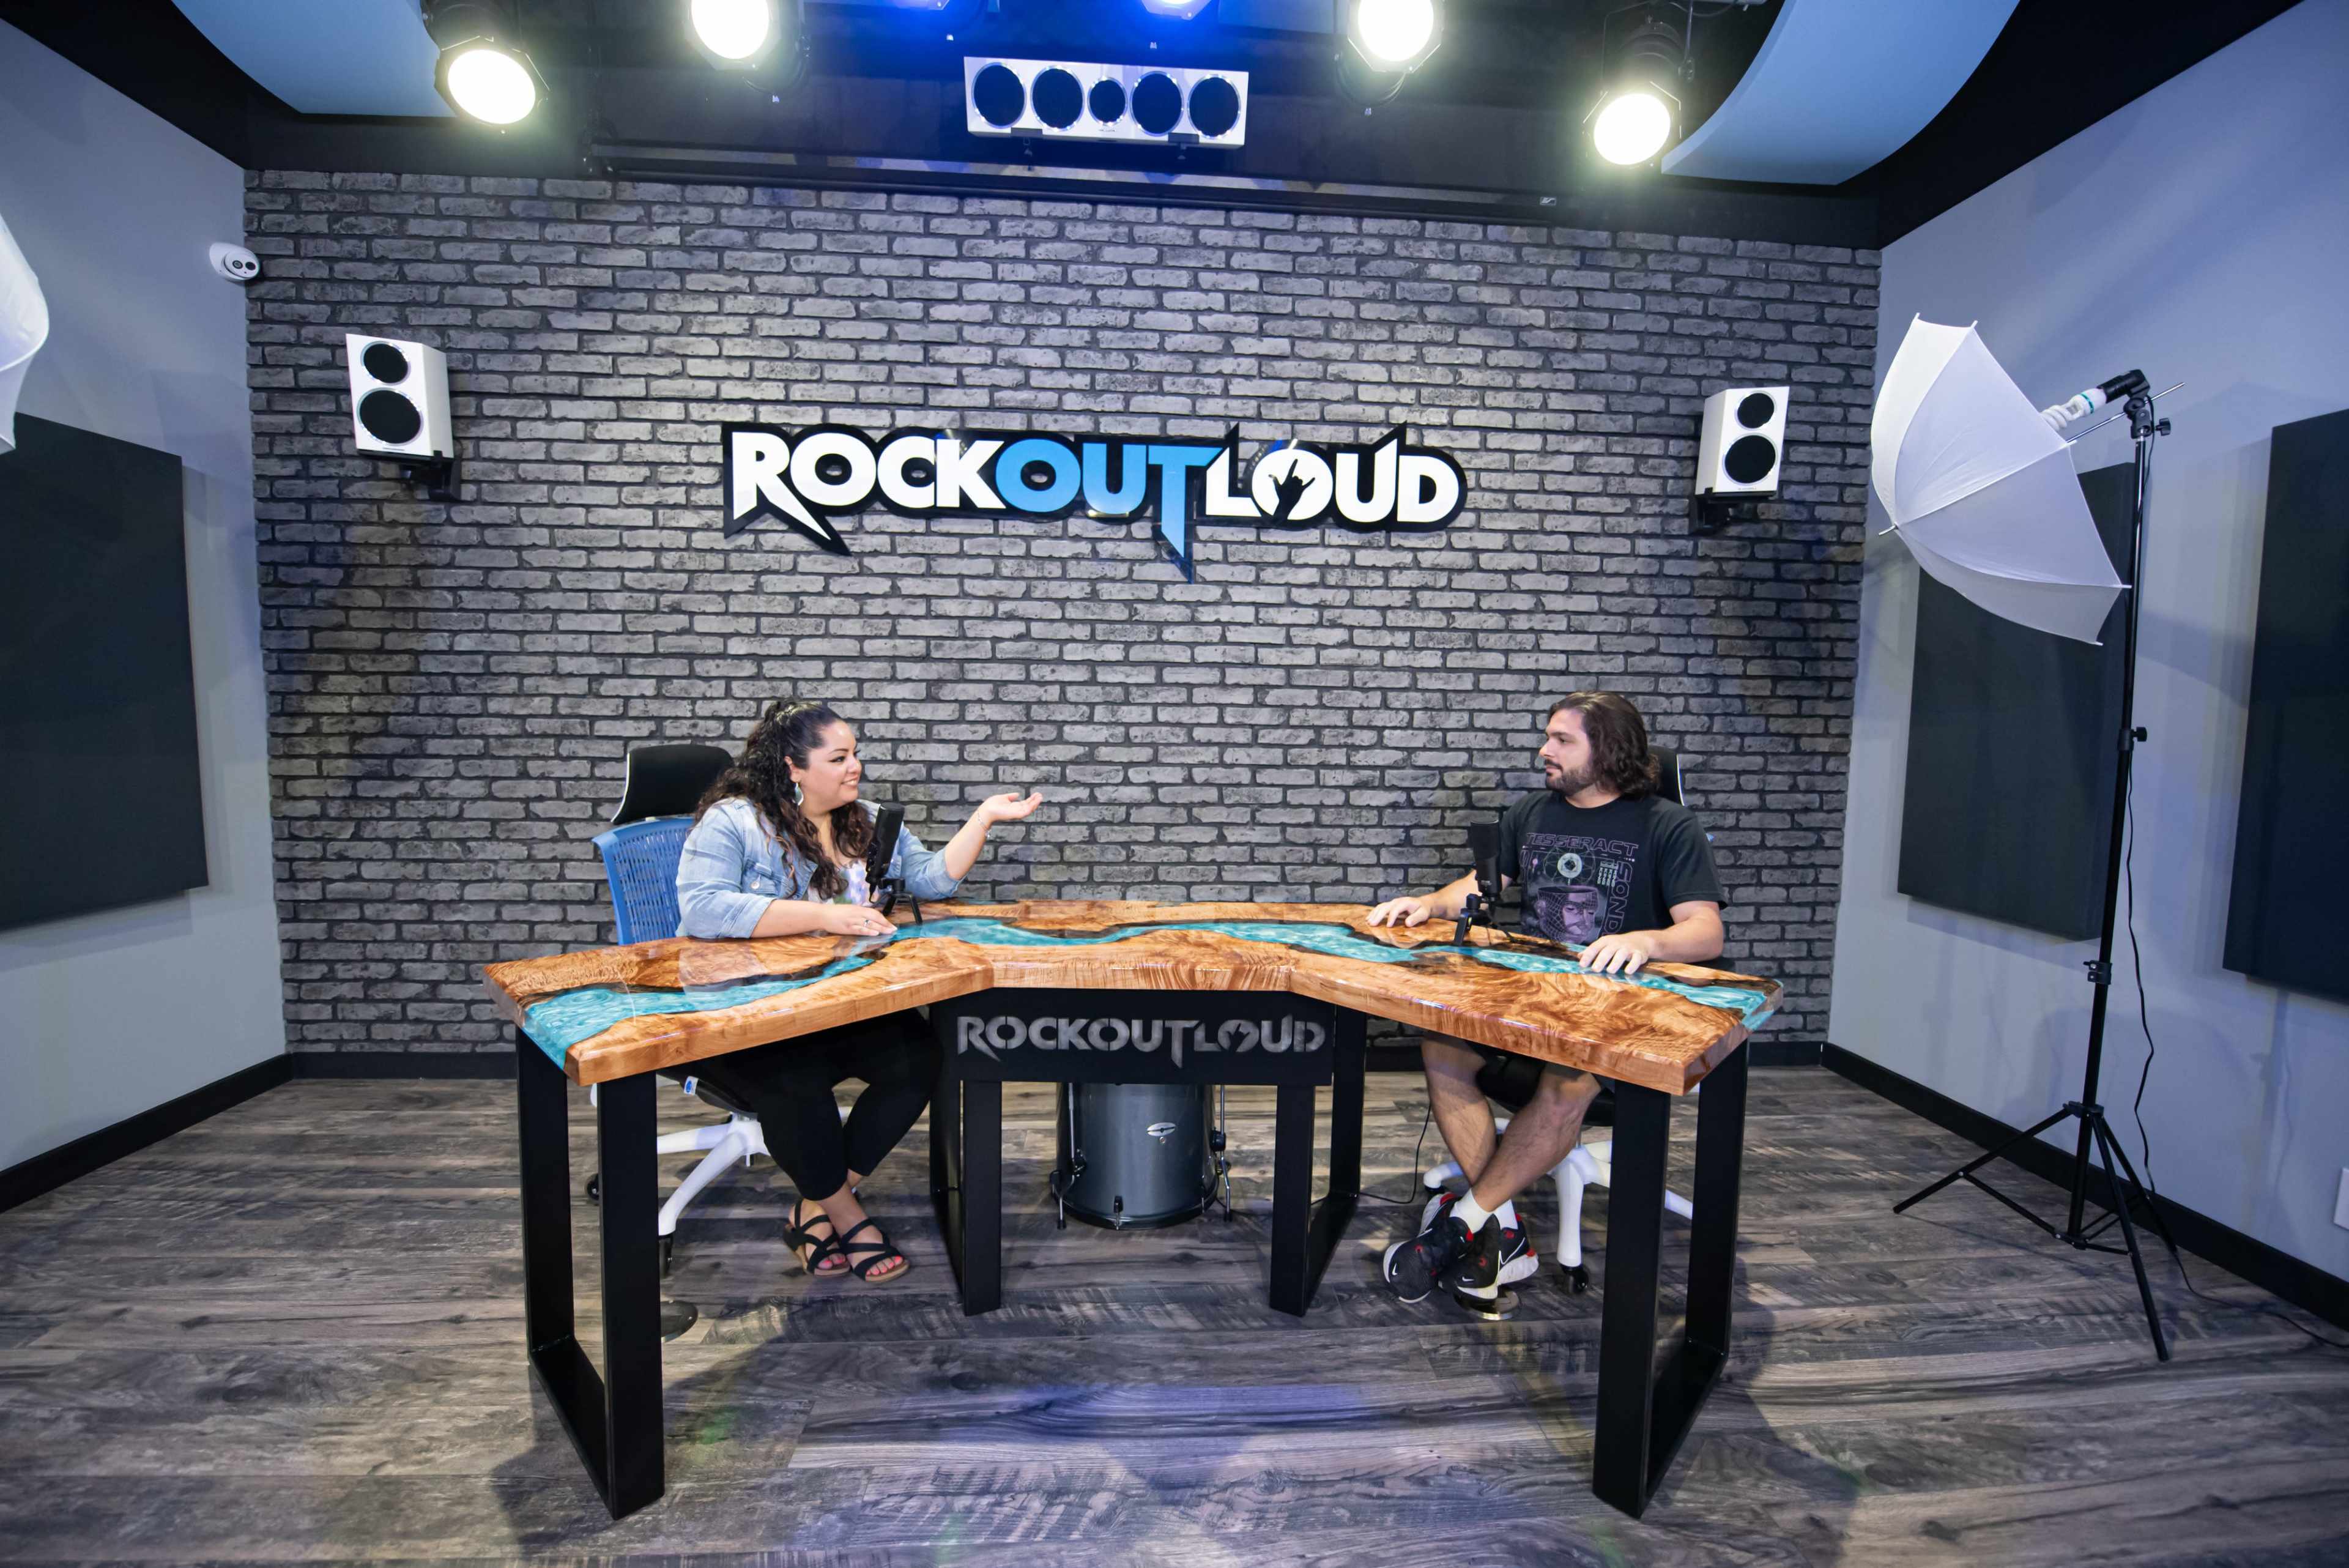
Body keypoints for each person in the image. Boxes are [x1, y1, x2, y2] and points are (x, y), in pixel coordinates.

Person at [1367, 691, 1726, 1304]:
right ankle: (1501, 1229)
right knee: (1443, 1046)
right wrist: (1428, 903)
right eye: (1548, 737)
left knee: (1570, 1080)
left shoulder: (1668, 824)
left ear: (1609, 751)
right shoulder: (1533, 811)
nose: (1545, 750)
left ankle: (1462, 1223)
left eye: (1562, 740)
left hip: (1606, 1020)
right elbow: (1481, 885)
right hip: (1524, 1006)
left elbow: (1706, 930)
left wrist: (1644, 940)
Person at [675, 698, 1044, 1284]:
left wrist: (982, 819)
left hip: (839, 1006)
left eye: (856, 754)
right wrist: (826, 917)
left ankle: (812, 1205)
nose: (857, 767)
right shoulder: (737, 821)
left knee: (920, 1057)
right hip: (751, 1012)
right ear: (794, 768)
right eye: (840, 757)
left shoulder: (865, 819)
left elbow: (930, 879)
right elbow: (703, 906)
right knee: (792, 1081)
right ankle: (847, 1215)